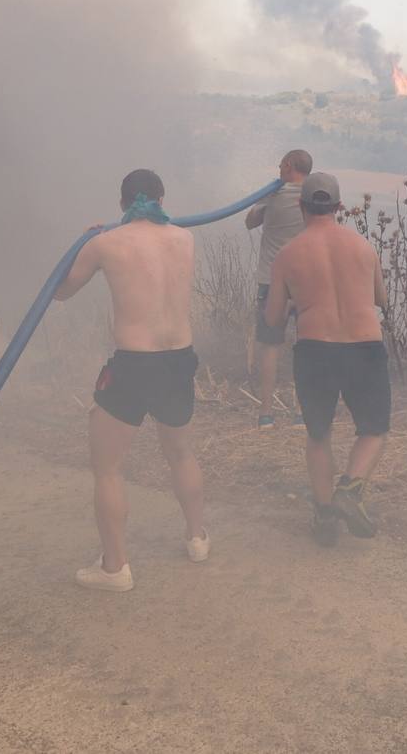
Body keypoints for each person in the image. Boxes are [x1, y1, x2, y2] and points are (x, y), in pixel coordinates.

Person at [54, 169, 208, 592]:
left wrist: (82, 243)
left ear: (122, 204)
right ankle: (197, 538)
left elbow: (60, 291)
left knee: (107, 468)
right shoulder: (185, 239)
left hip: (134, 364)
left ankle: (115, 568)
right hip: (178, 360)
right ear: (162, 197)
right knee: (180, 452)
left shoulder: (105, 244)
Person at [266, 172, 390, 547]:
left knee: (318, 434)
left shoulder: (288, 255)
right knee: (373, 430)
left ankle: (324, 518)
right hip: (364, 348)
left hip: (315, 350)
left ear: (301, 206)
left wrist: (295, 303)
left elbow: (272, 319)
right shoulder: (363, 247)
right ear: (338, 207)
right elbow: (381, 300)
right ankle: (350, 490)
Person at [244, 149, 312, 428]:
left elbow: (250, 222)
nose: (277, 168)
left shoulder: (272, 195)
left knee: (270, 345)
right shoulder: (314, 197)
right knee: (305, 345)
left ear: (288, 166)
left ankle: (266, 414)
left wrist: (266, 204)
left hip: (271, 281)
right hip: (306, 281)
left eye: (280, 164)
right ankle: (301, 413)